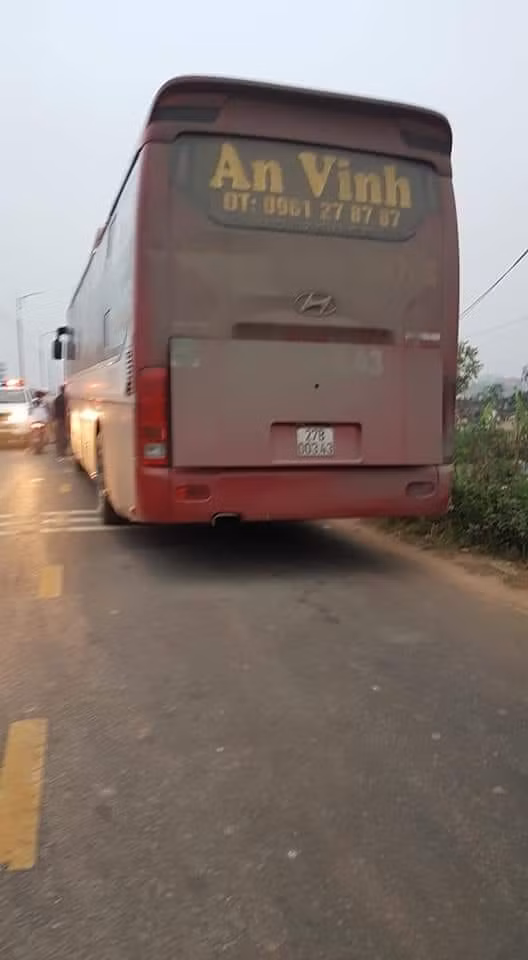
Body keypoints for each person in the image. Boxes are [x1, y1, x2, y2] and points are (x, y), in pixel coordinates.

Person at [53, 385, 68, 459]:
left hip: (57, 419)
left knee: (59, 437)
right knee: (63, 437)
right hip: (63, 419)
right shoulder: (65, 399)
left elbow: (54, 410)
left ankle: (59, 452)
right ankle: (62, 452)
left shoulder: (57, 399)